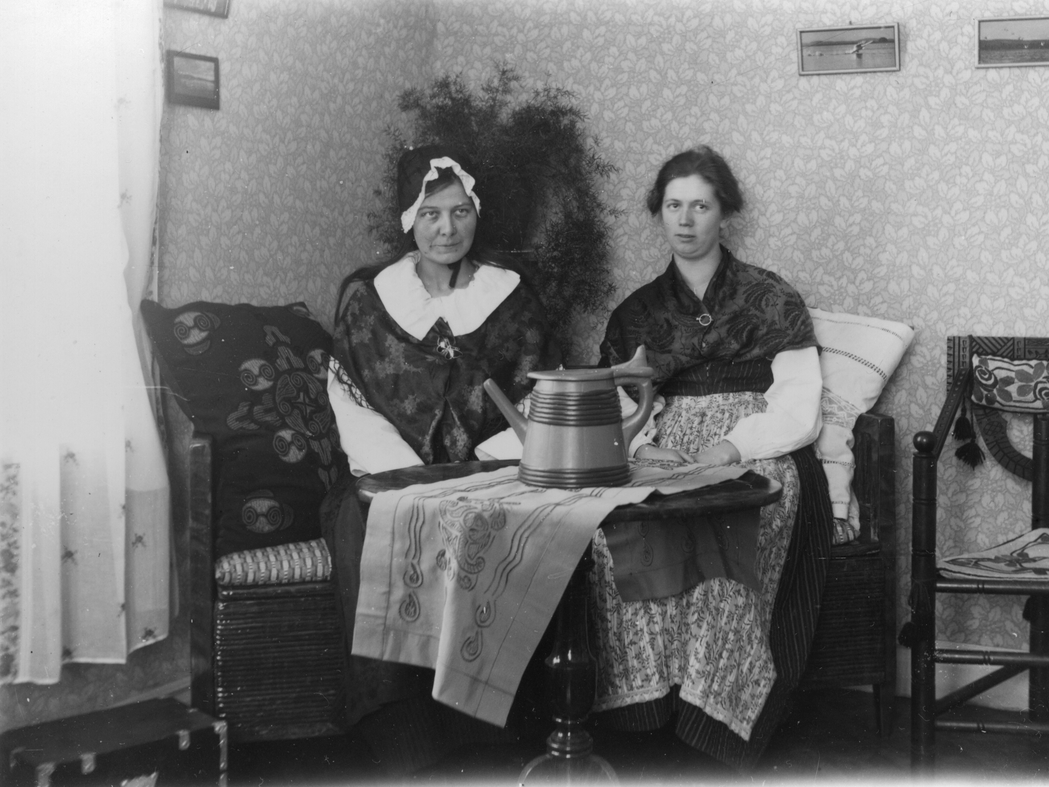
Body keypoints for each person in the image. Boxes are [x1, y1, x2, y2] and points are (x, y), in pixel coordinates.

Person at [591, 145, 835, 771]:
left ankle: (714, 720)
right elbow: (611, 404)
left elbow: (799, 407)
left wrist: (730, 447)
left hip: (758, 445)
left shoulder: (770, 296)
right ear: (659, 213)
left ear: (724, 213)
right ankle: (645, 709)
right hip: (663, 446)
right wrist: (646, 445)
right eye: (674, 205)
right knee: (615, 534)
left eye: (700, 206)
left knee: (730, 531)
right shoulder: (637, 311)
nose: (686, 219)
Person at [319, 145, 561, 774]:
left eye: (460, 212)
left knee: (510, 530)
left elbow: (540, 397)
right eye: (431, 214)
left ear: (477, 214)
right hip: (388, 478)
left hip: (493, 474)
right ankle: (405, 735)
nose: (447, 229)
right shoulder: (370, 301)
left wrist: (485, 465)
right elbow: (350, 398)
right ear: (409, 219)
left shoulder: (512, 298)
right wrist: (407, 480)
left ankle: (489, 733)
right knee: (368, 525)